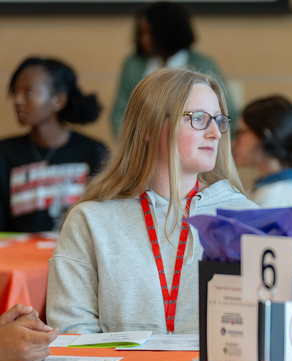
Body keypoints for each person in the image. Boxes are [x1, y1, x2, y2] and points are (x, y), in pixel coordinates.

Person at [46, 67, 258, 334]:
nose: (215, 132)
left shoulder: (247, 220)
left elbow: (264, 328)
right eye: (199, 118)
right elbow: (72, 329)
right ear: (149, 128)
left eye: (219, 120)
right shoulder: (91, 220)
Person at [0, 57, 108, 232]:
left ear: (59, 100)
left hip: (75, 256)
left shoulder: (93, 152)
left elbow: (103, 221)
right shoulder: (4, 153)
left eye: (28, 93)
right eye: (14, 93)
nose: (17, 100)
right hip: (17, 257)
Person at [110, 1, 234, 138]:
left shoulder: (203, 65)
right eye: (141, 33)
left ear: (166, 32)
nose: (143, 40)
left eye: (148, 33)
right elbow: (119, 114)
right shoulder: (133, 64)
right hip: (142, 144)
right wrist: (134, 143)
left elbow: (227, 113)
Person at [232, 95, 292, 207]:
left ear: (265, 135)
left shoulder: (274, 198)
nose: (235, 142)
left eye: (241, 133)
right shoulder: (271, 188)